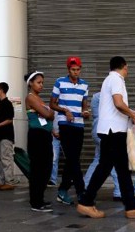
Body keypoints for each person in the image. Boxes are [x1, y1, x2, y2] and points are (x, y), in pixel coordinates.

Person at [77, 56, 135, 220]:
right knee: (106, 167)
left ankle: (132, 206)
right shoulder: (116, 79)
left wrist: (130, 112)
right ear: (125, 67)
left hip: (111, 130)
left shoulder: (109, 80)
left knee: (120, 169)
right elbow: (118, 103)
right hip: (114, 131)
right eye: (128, 68)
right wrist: (133, 114)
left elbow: (116, 106)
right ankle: (86, 201)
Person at [50, 56, 89, 205]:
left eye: (78, 69)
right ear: (68, 69)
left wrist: (86, 112)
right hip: (64, 125)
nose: (76, 72)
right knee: (73, 159)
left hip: (79, 125)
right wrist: (64, 110)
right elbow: (52, 104)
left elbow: (84, 105)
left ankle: (62, 191)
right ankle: (81, 192)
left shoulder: (84, 85)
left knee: (73, 159)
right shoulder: (60, 82)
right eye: (73, 69)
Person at [83, 92, 122, 202]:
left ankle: (85, 186)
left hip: (97, 129)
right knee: (112, 159)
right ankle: (119, 192)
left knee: (98, 159)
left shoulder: (96, 96)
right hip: (104, 130)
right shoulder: (105, 96)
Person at [25, 71, 55, 212]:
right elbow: (48, 114)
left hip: (45, 135)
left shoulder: (39, 99)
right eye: (38, 82)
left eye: (42, 82)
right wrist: (49, 113)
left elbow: (49, 115)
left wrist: (49, 113)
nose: (41, 85)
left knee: (46, 167)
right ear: (31, 83)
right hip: (37, 136)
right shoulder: (31, 98)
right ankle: (35, 202)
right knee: (38, 169)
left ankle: (40, 198)